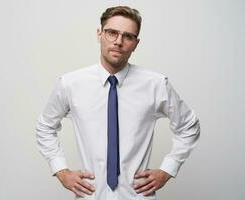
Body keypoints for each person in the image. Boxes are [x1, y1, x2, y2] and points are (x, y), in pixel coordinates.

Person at [36, 5, 200, 200]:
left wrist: (167, 170)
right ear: (99, 34)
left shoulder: (155, 84)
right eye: (112, 33)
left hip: (137, 196)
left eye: (128, 36)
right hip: (90, 196)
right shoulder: (71, 84)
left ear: (136, 43)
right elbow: (45, 127)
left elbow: (189, 126)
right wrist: (61, 171)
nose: (118, 42)